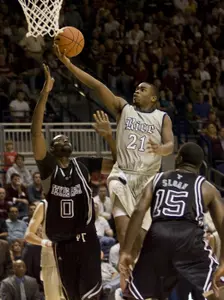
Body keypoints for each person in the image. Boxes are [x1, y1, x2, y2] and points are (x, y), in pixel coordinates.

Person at [54, 45, 174, 259]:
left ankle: (139, 276)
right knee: (123, 230)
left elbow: (170, 145)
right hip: (123, 174)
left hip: (148, 180)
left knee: (143, 240)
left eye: (142, 89)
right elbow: (97, 86)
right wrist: (69, 65)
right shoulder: (123, 108)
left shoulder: (162, 117)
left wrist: (161, 149)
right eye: (136, 88)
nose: (137, 90)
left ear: (154, 98)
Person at [30, 64, 115, 300]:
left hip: (87, 241)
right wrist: (44, 94)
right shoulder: (48, 168)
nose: (62, 139)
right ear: (52, 149)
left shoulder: (84, 164)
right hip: (62, 245)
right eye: (57, 138)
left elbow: (119, 163)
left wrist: (109, 137)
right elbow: (35, 133)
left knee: (91, 296)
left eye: (65, 137)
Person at [119, 142, 224, 300]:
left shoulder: (157, 179)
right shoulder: (207, 188)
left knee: (136, 294)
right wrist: (223, 261)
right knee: (217, 287)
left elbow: (139, 211)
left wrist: (126, 251)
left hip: (158, 234)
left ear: (179, 158)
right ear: (200, 165)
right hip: (188, 237)